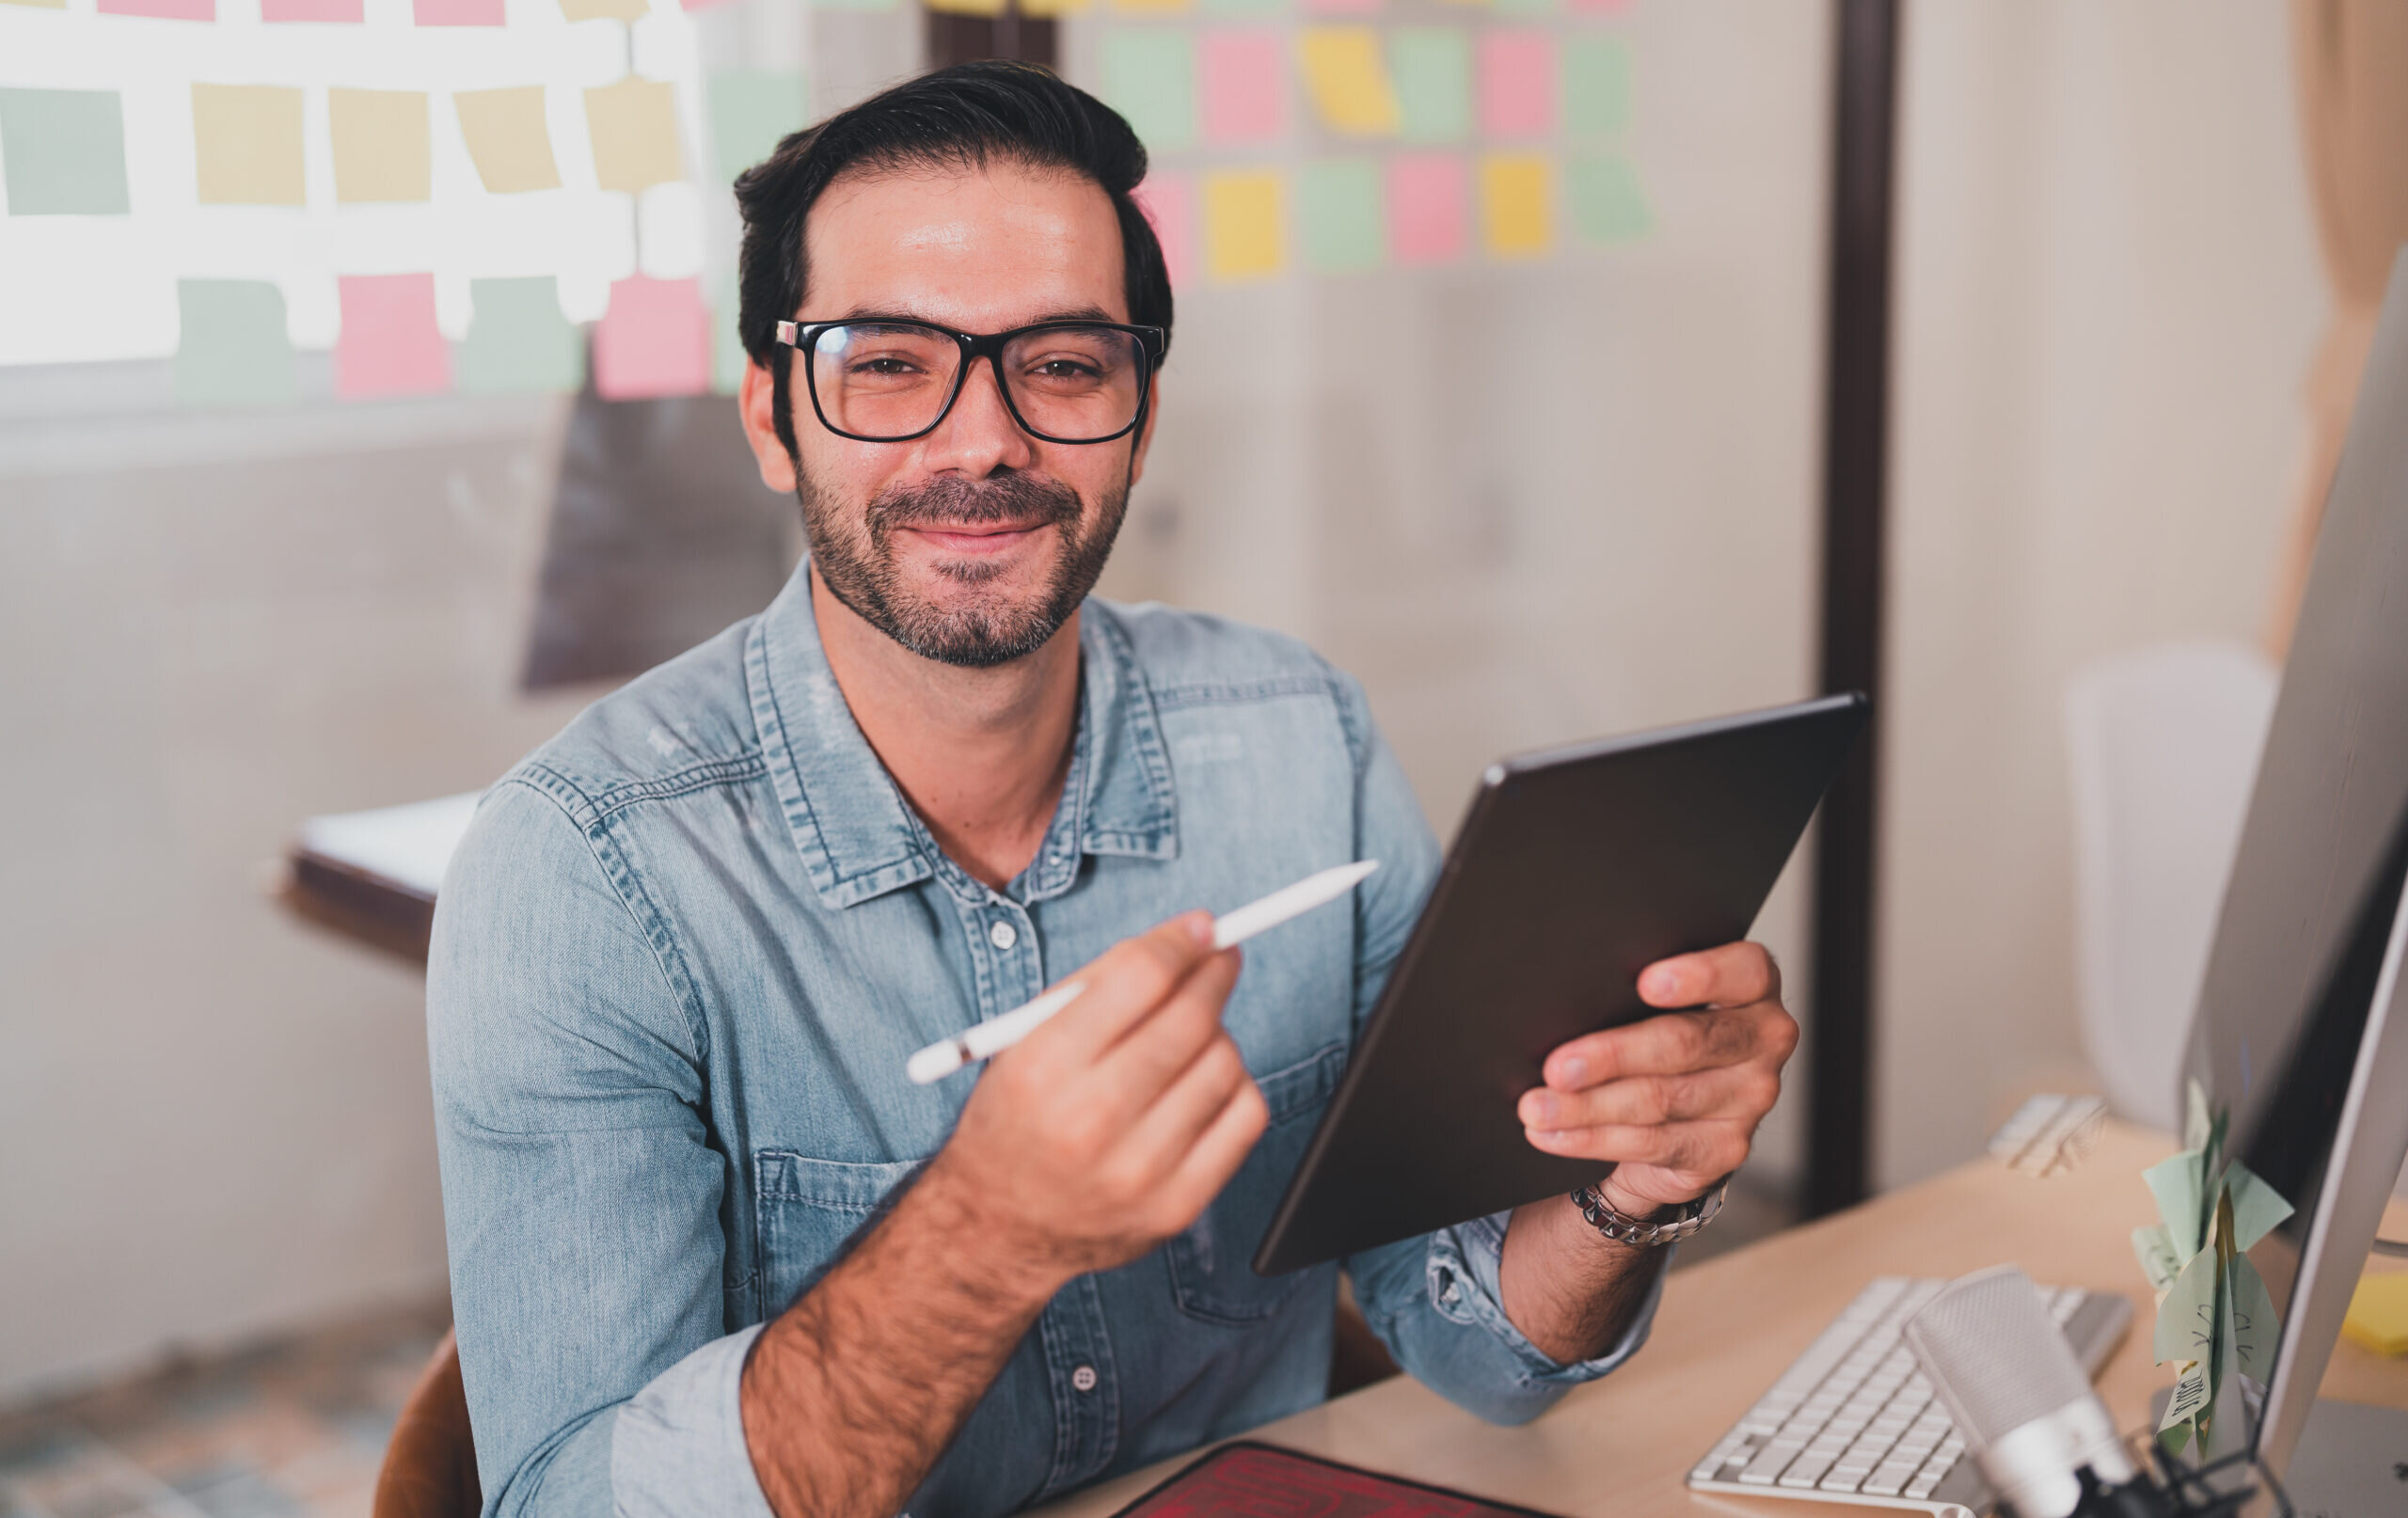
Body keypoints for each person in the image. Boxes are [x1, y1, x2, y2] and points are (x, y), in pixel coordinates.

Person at [428, 61, 1798, 1518]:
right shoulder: (577, 873)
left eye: (1065, 364)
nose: (984, 442)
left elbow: (1475, 1347)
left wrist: (1626, 1189)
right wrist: (985, 1234)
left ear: (1139, 418)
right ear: (773, 416)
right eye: (889, 362)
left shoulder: (1301, 741)